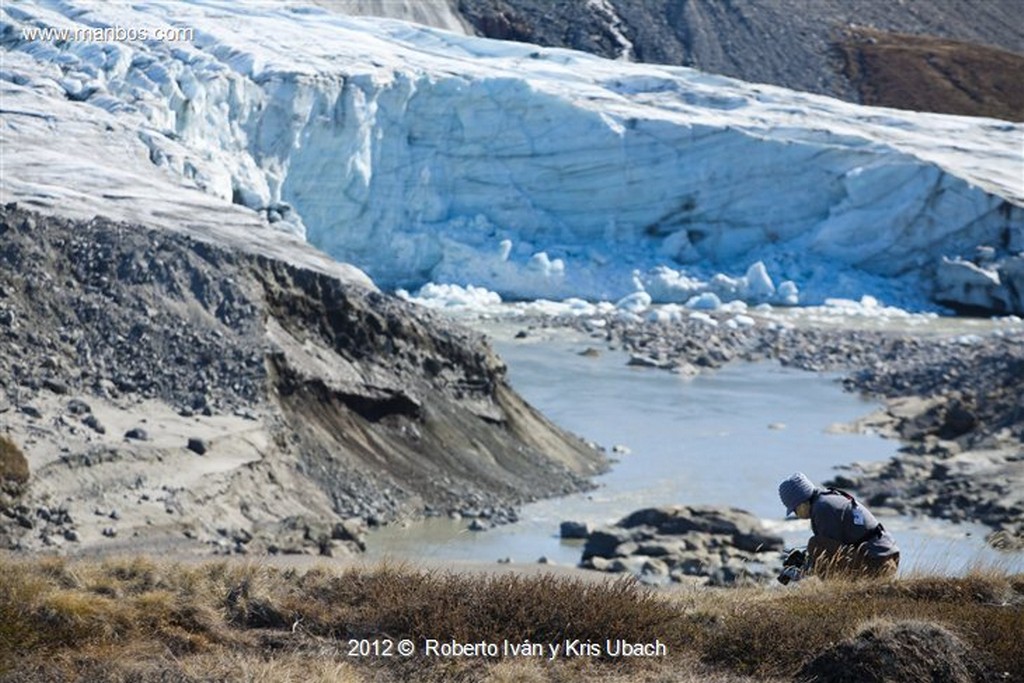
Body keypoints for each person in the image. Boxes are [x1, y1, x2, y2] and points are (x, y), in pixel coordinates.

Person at [778, 472, 899, 581]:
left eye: (794, 509)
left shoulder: (822, 509)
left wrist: (801, 571)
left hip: (877, 565)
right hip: (885, 558)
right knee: (816, 546)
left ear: (802, 502)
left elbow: (829, 554)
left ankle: (835, 592)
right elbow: (838, 544)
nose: (795, 513)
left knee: (816, 544)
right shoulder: (828, 499)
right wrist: (805, 558)